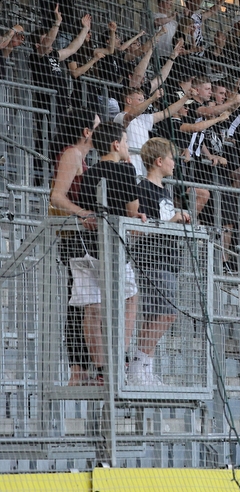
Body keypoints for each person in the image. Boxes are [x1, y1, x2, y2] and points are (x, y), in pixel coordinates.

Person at [75, 123, 145, 383]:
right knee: (129, 299)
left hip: (87, 246)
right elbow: (132, 209)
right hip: (114, 247)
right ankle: (120, 360)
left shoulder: (90, 171)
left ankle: (102, 371)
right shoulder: (126, 168)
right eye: (125, 142)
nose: (127, 147)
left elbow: (85, 206)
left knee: (92, 307)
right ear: (116, 145)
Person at [129, 137, 191, 386]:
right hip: (153, 257)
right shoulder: (143, 188)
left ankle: (145, 370)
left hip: (167, 257)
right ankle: (137, 366)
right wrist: (173, 221)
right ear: (159, 161)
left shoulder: (166, 190)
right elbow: (140, 227)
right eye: (171, 159)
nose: (174, 164)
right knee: (166, 315)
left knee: (155, 316)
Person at [49, 109, 100, 385]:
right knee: (79, 303)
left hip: (82, 237)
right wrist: (83, 213)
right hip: (73, 238)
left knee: (86, 303)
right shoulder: (72, 154)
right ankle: (78, 369)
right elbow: (57, 196)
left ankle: (85, 367)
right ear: (86, 131)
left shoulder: (83, 157)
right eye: (96, 125)